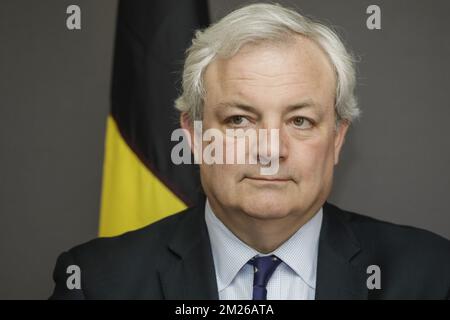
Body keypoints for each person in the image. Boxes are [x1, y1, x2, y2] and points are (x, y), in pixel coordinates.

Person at [50, 3, 450, 300]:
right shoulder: (96, 282)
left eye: (300, 121)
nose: (270, 150)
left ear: (337, 140)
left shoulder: (432, 274)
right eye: (240, 120)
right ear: (192, 135)